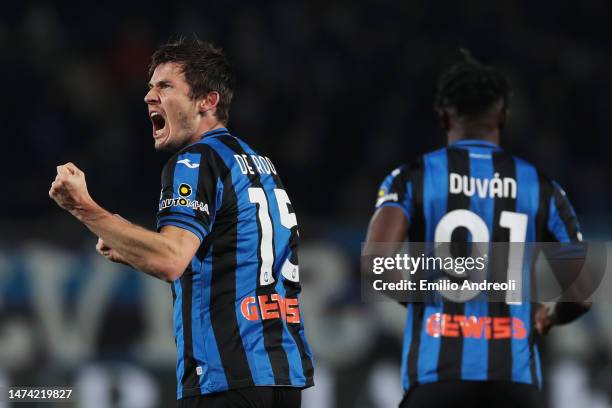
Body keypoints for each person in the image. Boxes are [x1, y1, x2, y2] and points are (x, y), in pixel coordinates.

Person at [49, 37, 313, 408]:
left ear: (207, 101)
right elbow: (225, 252)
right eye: (149, 86)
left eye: (165, 86)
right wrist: (132, 244)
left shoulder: (195, 161)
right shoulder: (257, 163)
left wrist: (82, 207)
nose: (148, 96)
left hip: (225, 377)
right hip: (282, 378)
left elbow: (170, 259)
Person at [365, 51, 591, 408]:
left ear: (443, 117)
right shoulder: (542, 187)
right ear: (503, 116)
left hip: (437, 378)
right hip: (514, 383)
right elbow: (581, 292)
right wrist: (549, 316)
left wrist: (431, 297)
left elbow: (377, 263)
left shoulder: (411, 179)